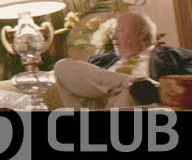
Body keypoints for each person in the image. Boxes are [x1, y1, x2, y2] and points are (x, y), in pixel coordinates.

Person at [53, 11, 192, 109]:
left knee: (129, 93)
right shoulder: (98, 60)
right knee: (62, 65)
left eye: (119, 30)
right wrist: (132, 83)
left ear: (141, 33)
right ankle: (135, 81)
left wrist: (146, 92)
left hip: (139, 105)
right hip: (96, 105)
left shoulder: (178, 57)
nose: (112, 36)